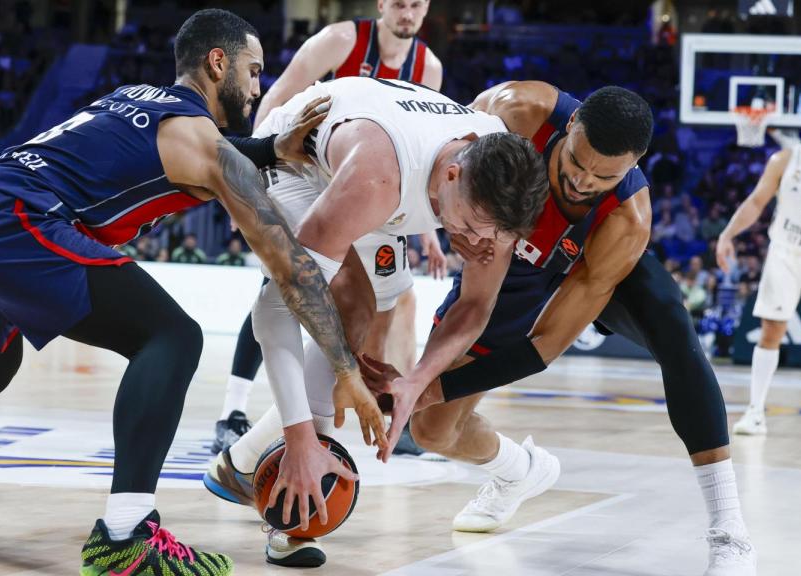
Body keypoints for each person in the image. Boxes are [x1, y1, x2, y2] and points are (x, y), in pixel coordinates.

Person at [0, 10, 386, 576]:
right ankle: (125, 534)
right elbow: (291, 268)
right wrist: (345, 369)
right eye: (254, 70)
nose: (259, 86)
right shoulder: (202, 144)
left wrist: (268, 150)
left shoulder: (135, 98)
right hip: (10, 221)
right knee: (171, 336)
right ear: (219, 64)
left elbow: (202, 151)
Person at [359, 82, 755, 575]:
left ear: (630, 167)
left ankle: (730, 531)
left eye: (603, 176)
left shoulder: (627, 218)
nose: (583, 182)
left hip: (588, 260)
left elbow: (544, 346)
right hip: (511, 257)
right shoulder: (517, 111)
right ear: (570, 127)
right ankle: (519, 472)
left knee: (673, 328)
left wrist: (431, 387)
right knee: (432, 432)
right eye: (576, 163)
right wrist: (450, 228)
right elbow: (439, 156)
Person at [204, 75, 549, 567]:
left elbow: (474, 308)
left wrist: (416, 380)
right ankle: (297, 503)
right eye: (470, 228)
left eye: (490, 237)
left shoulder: (498, 185)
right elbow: (275, 311)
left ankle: (242, 465)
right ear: (451, 176)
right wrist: (301, 436)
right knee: (351, 309)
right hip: (296, 161)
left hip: (372, 162)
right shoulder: (378, 177)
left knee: (376, 318)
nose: (476, 245)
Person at [212, 0, 448, 457]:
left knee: (390, 295)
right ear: (382, 5)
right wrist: (251, 176)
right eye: (399, 3)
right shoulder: (341, 40)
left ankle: (369, 406)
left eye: (416, 4)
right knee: (283, 284)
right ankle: (233, 413)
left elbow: (420, 148)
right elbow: (279, 95)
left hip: (362, 179)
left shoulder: (428, 66)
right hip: (301, 168)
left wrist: (429, 233)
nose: (407, 12)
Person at [717, 101, 801, 436]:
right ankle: (755, 411)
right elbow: (757, 202)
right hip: (785, 252)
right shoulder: (785, 160)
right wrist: (728, 234)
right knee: (771, 330)